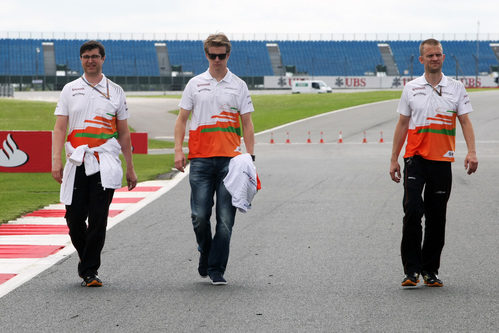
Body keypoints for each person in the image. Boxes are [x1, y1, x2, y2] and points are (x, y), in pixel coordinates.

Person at [389, 38, 478, 288]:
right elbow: (402, 124)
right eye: (430, 55)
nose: (435, 59)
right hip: (415, 158)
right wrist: (394, 158)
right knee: (413, 211)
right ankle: (411, 271)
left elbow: (465, 121)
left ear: (443, 57)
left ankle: (430, 270)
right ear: (422, 59)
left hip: (442, 160)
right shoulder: (411, 88)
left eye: (438, 54)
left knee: (437, 217)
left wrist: (472, 152)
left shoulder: (456, 88)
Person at [52, 40, 137, 287]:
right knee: (74, 218)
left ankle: (90, 271)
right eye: (86, 56)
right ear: (81, 60)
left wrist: (130, 167)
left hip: (105, 161)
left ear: (103, 59)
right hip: (77, 161)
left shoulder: (116, 90)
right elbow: (59, 128)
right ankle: (86, 261)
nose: (91, 60)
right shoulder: (70, 89)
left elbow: (124, 133)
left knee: (99, 218)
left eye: (95, 56)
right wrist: (56, 159)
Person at [174, 33, 255, 285]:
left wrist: (250, 158)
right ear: (206, 54)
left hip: (230, 162)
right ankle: (206, 252)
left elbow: (248, 123)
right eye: (212, 55)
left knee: (225, 220)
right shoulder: (194, 84)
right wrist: (178, 149)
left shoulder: (239, 85)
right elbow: (181, 119)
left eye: (221, 55)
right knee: (199, 216)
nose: (217, 60)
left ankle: (216, 268)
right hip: (199, 159)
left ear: (228, 55)